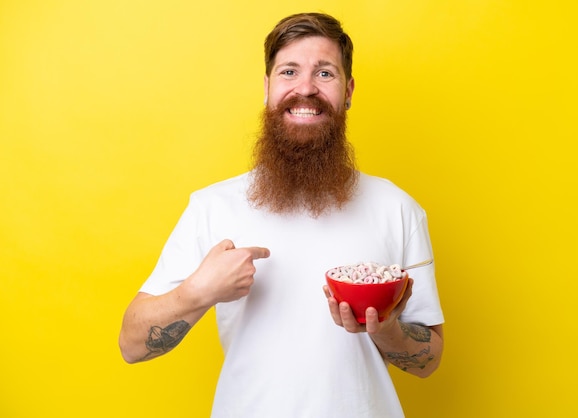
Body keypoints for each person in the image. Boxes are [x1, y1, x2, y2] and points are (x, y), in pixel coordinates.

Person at [119, 12, 444, 418]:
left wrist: (389, 330)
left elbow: (429, 360)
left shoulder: (397, 208)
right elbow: (132, 346)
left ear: (348, 91)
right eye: (289, 71)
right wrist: (200, 291)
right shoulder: (212, 207)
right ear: (268, 87)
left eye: (325, 74)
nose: (305, 89)